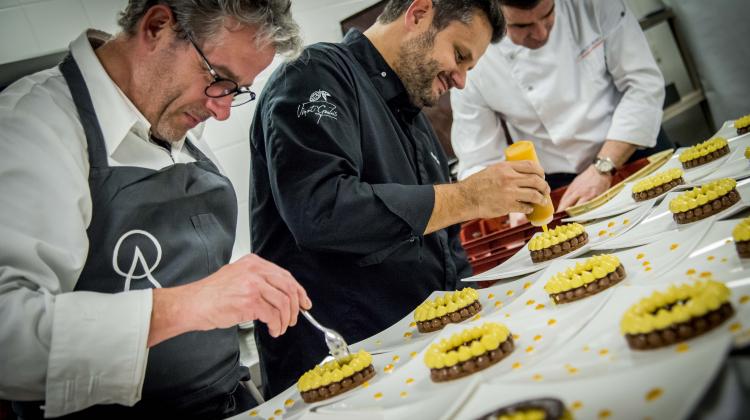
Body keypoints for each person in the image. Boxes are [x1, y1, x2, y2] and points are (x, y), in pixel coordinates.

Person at [0, 1, 310, 418]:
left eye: (235, 91)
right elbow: (8, 340)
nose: (219, 111)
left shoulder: (167, 118)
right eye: (219, 79)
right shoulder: (33, 124)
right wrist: (189, 305)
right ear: (158, 26)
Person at [250, 0, 551, 396]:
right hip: (343, 369)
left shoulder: (411, 114)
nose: (461, 80)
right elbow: (322, 211)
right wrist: (468, 198)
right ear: (419, 12)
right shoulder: (314, 76)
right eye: (459, 56)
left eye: (469, 68)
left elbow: (444, 249)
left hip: (420, 355)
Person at [451, 0, 670, 212]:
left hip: (631, 148)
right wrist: (508, 198)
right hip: (560, 184)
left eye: (548, 15)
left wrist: (603, 168)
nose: (541, 33)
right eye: (522, 26)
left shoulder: (594, 5)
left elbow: (643, 85)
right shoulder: (475, 55)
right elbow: (478, 156)